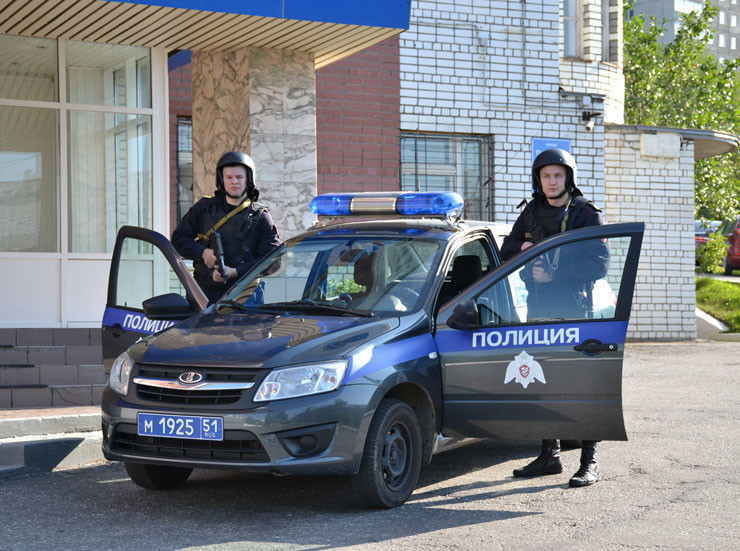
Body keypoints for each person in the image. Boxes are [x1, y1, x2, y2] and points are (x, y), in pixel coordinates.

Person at [501, 147, 608, 488]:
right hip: (538, 310)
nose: (551, 181)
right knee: (541, 382)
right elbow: (506, 250)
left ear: (568, 178)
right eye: (546, 176)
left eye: (557, 175)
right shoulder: (531, 212)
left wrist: (555, 275)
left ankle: (589, 461)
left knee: (581, 387)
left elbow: (599, 264)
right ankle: (550, 455)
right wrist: (524, 249)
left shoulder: (586, 214)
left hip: (576, 311)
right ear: (539, 179)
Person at [172, 151, 282, 304]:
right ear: (221, 179)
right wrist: (202, 253)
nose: (234, 182)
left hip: (245, 298)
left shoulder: (261, 216)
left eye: (239, 177)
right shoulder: (205, 208)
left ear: (248, 179)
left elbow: (273, 260)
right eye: (229, 177)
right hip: (204, 295)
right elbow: (178, 239)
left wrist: (236, 272)